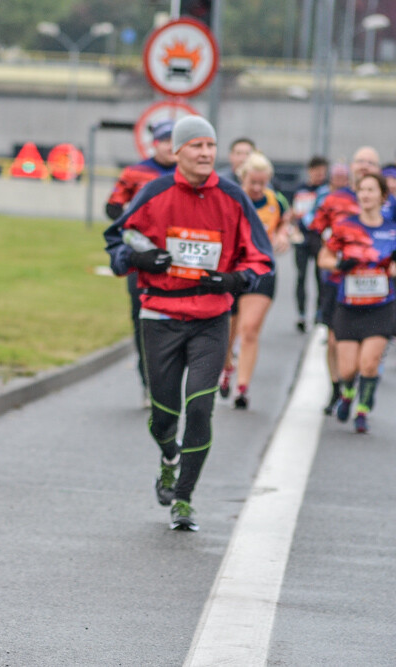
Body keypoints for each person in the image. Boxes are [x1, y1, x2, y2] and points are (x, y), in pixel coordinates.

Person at [104, 116, 274, 532]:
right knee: (164, 416)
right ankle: (169, 456)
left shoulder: (233, 197)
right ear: (177, 151)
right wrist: (138, 258)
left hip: (211, 319)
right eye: (196, 145)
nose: (205, 153)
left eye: (210, 145)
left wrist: (236, 279)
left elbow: (261, 257)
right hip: (160, 316)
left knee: (200, 407)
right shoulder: (154, 192)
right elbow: (117, 240)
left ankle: (183, 497)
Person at [105, 119, 177, 408]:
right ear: (154, 144)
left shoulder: (187, 174)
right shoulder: (135, 172)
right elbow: (112, 207)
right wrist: (134, 227)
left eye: (175, 141)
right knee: (142, 320)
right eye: (165, 140)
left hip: (179, 259)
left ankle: (173, 381)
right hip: (142, 259)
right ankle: (148, 383)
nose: (170, 146)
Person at [317, 173, 396, 434]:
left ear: (383, 196)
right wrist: (340, 264)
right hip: (349, 306)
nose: (365, 195)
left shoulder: (392, 230)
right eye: (362, 190)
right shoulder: (344, 227)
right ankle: (348, 392)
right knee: (348, 369)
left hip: (381, 306)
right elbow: (323, 259)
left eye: (371, 190)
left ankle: (362, 411)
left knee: (369, 364)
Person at [309, 147, 381, 414]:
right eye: (360, 161)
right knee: (334, 340)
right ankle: (337, 387)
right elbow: (314, 232)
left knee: (371, 343)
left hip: (376, 286)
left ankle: (363, 386)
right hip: (338, 282)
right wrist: (332, 260)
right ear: (351, 166)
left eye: (370, 162)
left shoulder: (389, 204)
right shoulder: (334, 199)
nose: (364, 166)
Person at [218, 152, 291, 408]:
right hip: (232, 270)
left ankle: (242, 388)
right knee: (227, 331)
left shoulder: (275, 200)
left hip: (261, 271)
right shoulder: (230, 199)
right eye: (253, 182)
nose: (258, 188)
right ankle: (227, 366)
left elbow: (285, 221)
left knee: (249, 329)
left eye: (263, 182)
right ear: (243, 178)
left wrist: (283, 234)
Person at [291, 155, 329, 332]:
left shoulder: (326, 190)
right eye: (317, 172)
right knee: (301, 276)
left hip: (318, 237)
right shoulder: (300, 189)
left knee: (320, 277)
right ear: (310, 171)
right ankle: (301, 314)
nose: (320, 175)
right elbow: (294, 212)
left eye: (323, 172)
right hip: (301, 238)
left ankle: (319, 313)